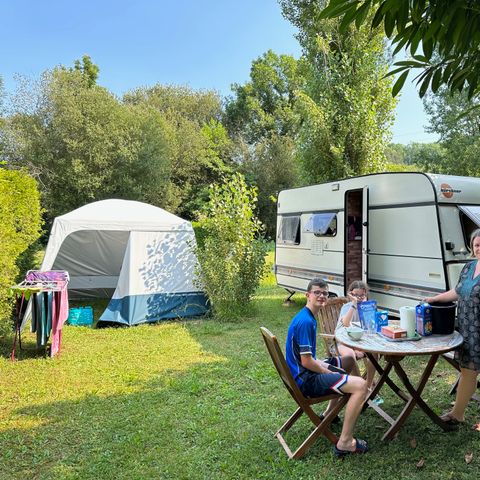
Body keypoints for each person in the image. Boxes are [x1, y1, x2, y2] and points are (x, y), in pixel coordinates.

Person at [286, 278, 368, 456]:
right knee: (361, 385)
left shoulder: (306, 316)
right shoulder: (306, 322)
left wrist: (326, 366)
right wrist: (327, 370)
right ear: (308, 295)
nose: (322, 296)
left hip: (301, 374)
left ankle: (329, 414)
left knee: (348, 360)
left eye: (324, 293)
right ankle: (345, 442)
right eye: (317, 292)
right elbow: (307, 362)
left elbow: (309, 359)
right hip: (306, 381)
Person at [425, 228, 480, 430]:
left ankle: (458, 413)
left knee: (470, 370)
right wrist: (434, 299)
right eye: (477, 245)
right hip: (467, 327)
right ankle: (458, 413)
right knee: (468, 370)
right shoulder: (469, 267)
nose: (479, 248)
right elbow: (457, 291)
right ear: (472, 247)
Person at [337, 281, 381, 402]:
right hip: (344, 341)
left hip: (360, 340)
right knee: (350, 356)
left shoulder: (368, 307)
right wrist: (354, 303)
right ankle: (359, 384)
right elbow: (345, 324)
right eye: (356, 295)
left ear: (365, 293)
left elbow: (371, 326)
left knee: (374, 353)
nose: (359, 298)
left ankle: (368, 385)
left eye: (361, 295)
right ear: (351, 294)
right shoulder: (347, 307)